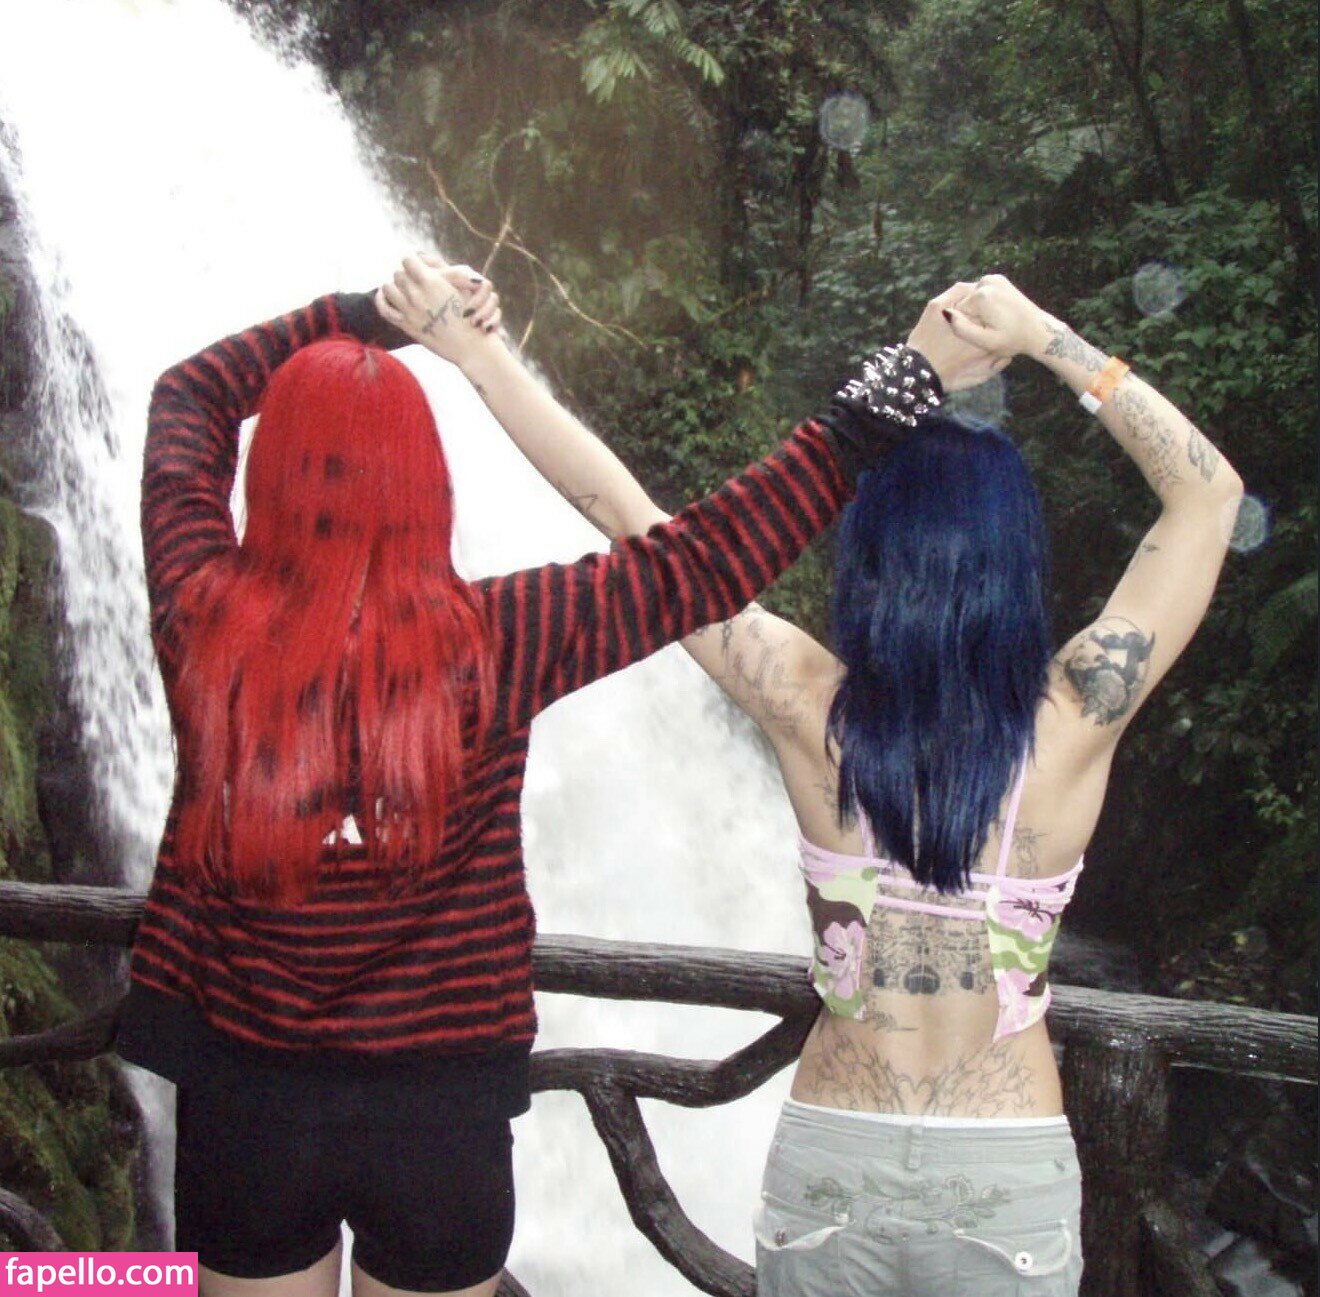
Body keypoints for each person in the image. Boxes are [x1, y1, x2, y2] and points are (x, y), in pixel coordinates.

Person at [116, 256, 996, 1297]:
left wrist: (367, 317)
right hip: (441, 1121)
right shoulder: (498, 639)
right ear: (424, 484)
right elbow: (706, 559)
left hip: (246, 1105)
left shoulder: (201, 615)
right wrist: (905, 379)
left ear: (269, 477)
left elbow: (191, 394)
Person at [407, 266, 1244, 1296]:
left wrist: (480, 355)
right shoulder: (1075, 718)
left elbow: (626, 512)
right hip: (1004, 1164)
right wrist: (1043, 335)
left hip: (833, 1158)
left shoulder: (808, 704)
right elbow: (1209, 497)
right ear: (1017, 562)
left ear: (871, 560)